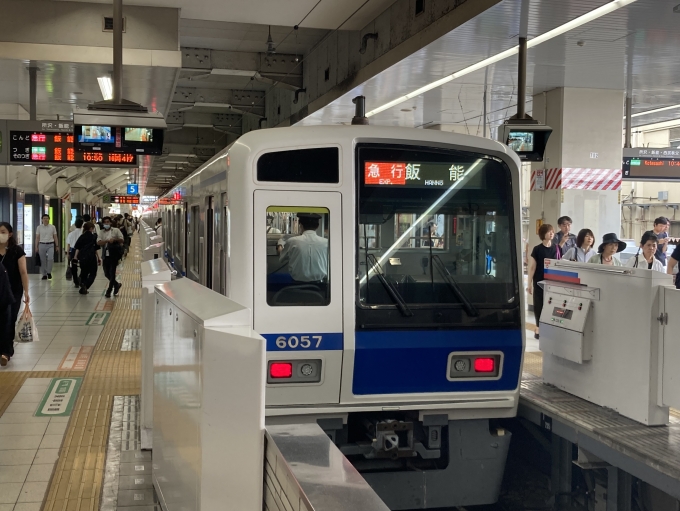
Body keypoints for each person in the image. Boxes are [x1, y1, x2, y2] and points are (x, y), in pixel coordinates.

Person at [0, 222, 29, 366]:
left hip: (13, 292)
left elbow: (23, 272)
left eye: (3, 231)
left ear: (10, 233)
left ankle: (6, 352)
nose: (0, 234)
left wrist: (27, 291)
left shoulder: (17, 250)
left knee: (9, 320)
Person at [526, 224, 559, 340]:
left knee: (551, 305)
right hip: (539, 281)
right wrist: (529, 283)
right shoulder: (537, 249)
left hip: (553, 281)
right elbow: (532, 267)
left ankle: (549, 328)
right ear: (542, 234)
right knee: (539, 305)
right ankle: (538, 328)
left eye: (552, 232)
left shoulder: (556, 248)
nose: (551, 233)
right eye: (549, 231)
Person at [276, 213, 329, 283]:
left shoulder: (293, 241)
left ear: (300, 225)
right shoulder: (326, 242)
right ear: (317, 226)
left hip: (296, 285)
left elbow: (282, 258)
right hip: (321, 287)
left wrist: (280, 244)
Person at [97, 216, 124, 298]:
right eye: (105, 222)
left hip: (114, 255)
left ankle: (109, 290)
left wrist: (114, 240)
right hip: (105, 255)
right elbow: (98, 242)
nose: (106, 223)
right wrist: (106, 241)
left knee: (112, 273)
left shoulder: (116, 230)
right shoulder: (101, 232)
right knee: (106, 273)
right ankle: (116, 284)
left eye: (108, 222)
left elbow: (122, 240)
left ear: (110, 223)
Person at [73, 222, 101, 294]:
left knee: (84, 272)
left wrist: (75, 257)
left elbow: (77, 248)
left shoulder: (82, 236)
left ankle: (83, 285)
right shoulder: (94, 236)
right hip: (91, 257)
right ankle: (86, 285)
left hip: (82, 257)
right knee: (93, 273)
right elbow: (95, 248)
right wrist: (99, 257)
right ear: (91, 228)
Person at [0, 260, 15, 367]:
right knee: (5, 327)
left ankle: (5, 353)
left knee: (5, 326)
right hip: (4, 299)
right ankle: (5, 353)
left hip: (3, 300)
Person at [35, 214, 59, 280]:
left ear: (49, 219)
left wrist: (57, 245)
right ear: (42, 219)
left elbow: (55, 236)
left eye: (47, 218)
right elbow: (37, 237)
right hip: (41, 244)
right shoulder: (39, 227)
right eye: (44, 218)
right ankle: (44, 274)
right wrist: (36, 246)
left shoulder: (52, 227)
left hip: (50, 244)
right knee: (42, 260)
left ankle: (49, 272)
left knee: (50, 258)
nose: (45, 219)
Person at [66, 218, 84, 287]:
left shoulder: (71, 234)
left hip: (73, 251)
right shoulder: (83, 233)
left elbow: (68, 245)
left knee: (74, 266)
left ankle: (76, 281)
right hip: (82, 251)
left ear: (75, 225)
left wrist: (68, 254)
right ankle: (81, 278)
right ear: (82, 225)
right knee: (83, 266)